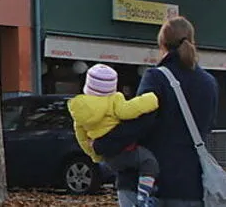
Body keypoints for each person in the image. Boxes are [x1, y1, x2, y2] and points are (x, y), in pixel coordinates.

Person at [94, 16, 219, 207]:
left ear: (162, 43)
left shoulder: (156, 77)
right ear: (192, 41)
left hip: (150, 181)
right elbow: (208, 125)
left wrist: (103, 144)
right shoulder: (209, 82)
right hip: (191, 184)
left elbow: (140, 122)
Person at [68, 63, 161, 207]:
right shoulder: (113, 101)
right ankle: (144, 195)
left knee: (127, 171)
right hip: (125, 150)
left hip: (109, 159)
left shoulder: (79, 111)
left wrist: (95, 155)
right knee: (149, 162)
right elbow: (130, 110)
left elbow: (82, 138)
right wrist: (151, 99)